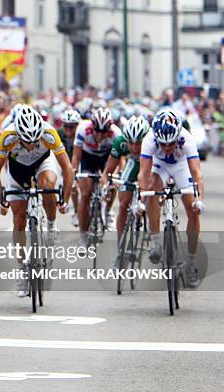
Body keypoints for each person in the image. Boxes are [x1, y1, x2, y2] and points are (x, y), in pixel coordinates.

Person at [0, 105, 73, 297]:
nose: (32, 145)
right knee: (19, 218)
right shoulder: (8, 136)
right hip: (17, 169)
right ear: (19, 135)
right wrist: (0, 200)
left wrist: (64, 200)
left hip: (42, 163)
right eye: (27, 141)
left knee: (48, 184)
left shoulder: (50, 133)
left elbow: (67, 169)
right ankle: (21, 269)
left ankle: (51, 227)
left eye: (36, 140)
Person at [138, 109, 204, 288]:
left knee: (193, 210)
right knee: (152, 189)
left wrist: (199, 199)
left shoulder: (186, 139)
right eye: (163, 144)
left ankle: (190, 263)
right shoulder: (149, 139)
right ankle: (156, 241)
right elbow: (143, 173)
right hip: (160, 166)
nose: (167, 148)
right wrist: (140, 200)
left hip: (181, 166)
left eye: (171, 144)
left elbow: (196, 173)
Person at [100, 115, 150, 268]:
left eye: (139, 143)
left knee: (151, 195)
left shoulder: (153, 142)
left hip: (150, 164)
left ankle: (150, 230)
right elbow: (107, 172)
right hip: (134, 165)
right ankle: (121, 249)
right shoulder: (120, 143)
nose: (134, 148)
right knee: (123, 205)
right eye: (131, 143)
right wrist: (106, 186)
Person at [72, 107, 122, 250]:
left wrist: (117, 175)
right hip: (89, 158)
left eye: (104, 132)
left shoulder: (116, 133)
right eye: (97, 131)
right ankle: (83, 235)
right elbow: (76, 156)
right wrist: (74, 174)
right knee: (85, 194)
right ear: (92, 127)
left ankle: (108, 211)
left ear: (109, 129)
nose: (100, 135)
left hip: (108, 157)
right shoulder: (82, 130)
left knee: (112, 182)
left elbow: (120, 159)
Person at [58, 109, 81, 226]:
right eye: (66, 126)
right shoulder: (60, 134)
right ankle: (77, 211)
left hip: (81, 159)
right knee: (72, 186)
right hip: (67, 161)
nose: (68, 130)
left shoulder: (81, 134)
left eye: (72, 127)